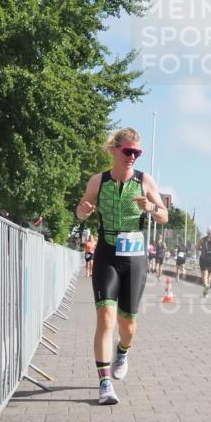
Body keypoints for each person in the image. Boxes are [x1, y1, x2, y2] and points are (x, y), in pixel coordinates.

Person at [75, 128, 168, 405]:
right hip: (107, 254)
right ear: (115, 150)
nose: (132, 157)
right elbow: (80, 211)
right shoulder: (98, 180)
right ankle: (104, 384)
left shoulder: (144, 181)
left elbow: (164, 215)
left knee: (128, 325)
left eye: (137, 153)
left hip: (135, 258)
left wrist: (150, 208)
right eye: (128, 151)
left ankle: (123, 351)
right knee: (105, 318)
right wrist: (85, 211)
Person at [197, 226, 211, 297]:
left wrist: (202, 248)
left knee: (204, 275)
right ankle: (206, 292)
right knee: (209, 276)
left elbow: (197, 247)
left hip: (203, 258)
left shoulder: (202, 239)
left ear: (206, 232)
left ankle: (205, 285)